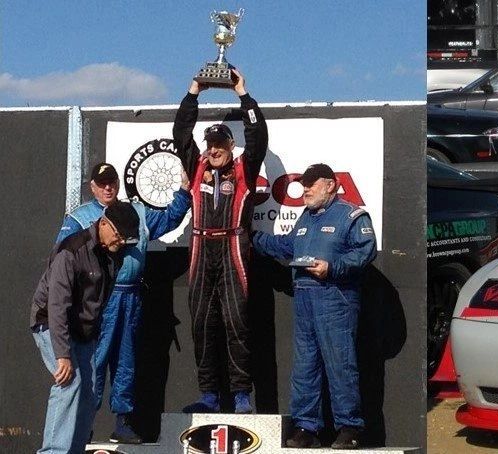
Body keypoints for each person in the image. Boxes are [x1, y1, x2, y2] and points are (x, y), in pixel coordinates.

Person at [54, 163, 191, 442]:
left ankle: (123, 423)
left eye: (111, 182)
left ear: (118, 183)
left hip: (132, 297)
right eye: (101, 183)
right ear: (92, 186)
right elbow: (62, 256)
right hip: (99, 300)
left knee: (126, 362)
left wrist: (184, 193)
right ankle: (84, 426)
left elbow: (167, 221)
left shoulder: (137, 213)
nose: (108, 188)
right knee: (95, 363)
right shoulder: (80, 218)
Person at [252, 164, 376, 450]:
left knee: (340, 364)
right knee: (305, 367)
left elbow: (365, 251)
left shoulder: (351, 215)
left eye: (311, 183)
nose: (305, 189)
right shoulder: (306, 217)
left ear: (331, 185)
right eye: (303, 184)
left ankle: (350, 427)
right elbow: (285, 247)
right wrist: (251, 237)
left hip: (335, 296)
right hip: (305, 298)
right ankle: (307, 426)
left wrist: (333, 268)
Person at [173, 67, 268, 414]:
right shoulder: (197, 167)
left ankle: (242, 395)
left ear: (230, 146)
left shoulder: (244, 170)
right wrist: (193, 91)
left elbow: (258, 135)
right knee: (201, 323)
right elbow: (181, 133)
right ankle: (209, 395)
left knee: (236, 323)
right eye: (209, 144)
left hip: (232, 248)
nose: (213, 150)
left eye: (219, 145)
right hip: (200, 248)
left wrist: (243, 95)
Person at [31, 201, 141, 454]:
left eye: (126, 238)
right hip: (50, 322)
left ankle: (75, 450)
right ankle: (53, 452)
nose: (121, 241)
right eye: (118, 234)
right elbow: (56, 306)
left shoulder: (114, 255)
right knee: (69, 382)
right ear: (103, 223)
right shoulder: (71, 251)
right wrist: (62, 355)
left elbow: (99, 303)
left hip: (83, 330)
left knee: (90, 391)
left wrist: (91, 337)